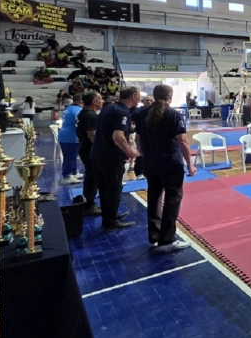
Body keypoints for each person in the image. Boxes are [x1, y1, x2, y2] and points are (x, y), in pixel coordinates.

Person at [133, 84, 195, 253]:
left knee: (154, 198)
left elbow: (138, 139)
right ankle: (167, 239)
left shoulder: (141, 113)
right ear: (170, 97)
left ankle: (154, 237)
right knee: (172, 199)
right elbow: (182, 141)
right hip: (170, 164)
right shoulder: (173, 114)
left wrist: (143, 155)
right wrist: (190, 163)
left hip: (151, 163)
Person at [91, 87, 140, 231]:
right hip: (110, 157)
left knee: (104, 188)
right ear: (133, 96)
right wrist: (130, 151)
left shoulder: (109, 108)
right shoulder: (123, 111)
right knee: (113, 189)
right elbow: (117, 136)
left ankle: (109, 216)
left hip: (98, 154)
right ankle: (110, 222)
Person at [76, 92, 103, 215]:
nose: (102, 101)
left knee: (91, 176)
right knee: (92, 177)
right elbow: (92, 136)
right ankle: (89, 205)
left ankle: (89, 201)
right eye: (100, 99)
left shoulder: (83, 113)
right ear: (94, 102)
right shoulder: (90, 116)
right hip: (90, 149)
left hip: (84, 147)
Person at [57, 93, 83, 184]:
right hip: (71, 136)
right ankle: (66, 176)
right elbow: (78, 123)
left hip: (63, 135)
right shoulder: (79, 110)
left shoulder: (68, 108)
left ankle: (74, 172)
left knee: (72, 155)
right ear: (81, 101)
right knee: (70, 157)